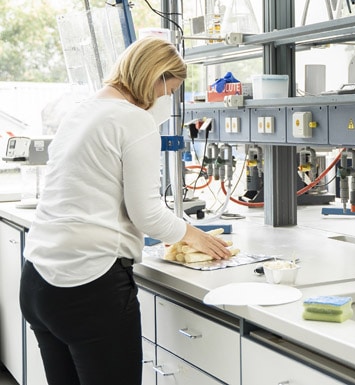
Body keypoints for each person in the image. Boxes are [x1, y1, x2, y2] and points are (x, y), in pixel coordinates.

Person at [19, 36, 232, 385]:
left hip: (38, 282)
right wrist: (196, 236)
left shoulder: (82, 111)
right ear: (155, 77)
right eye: (168, 91)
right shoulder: (132, 120)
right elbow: (145, 213)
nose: (164, 101)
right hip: (87, 285)